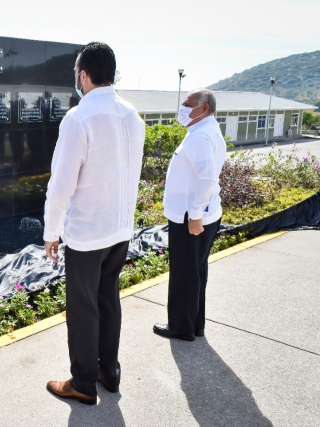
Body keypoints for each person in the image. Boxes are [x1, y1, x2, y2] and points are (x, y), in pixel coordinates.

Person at [44, 42, 145, 405]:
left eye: (76, 74)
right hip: (119, 231)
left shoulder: (79, 119)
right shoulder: (133, 115)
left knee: (84, 307)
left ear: (83, 75)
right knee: (108, 301)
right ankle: (108, 371)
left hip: (87, 233)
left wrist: (50, 232)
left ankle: (83, 383)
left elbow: (61, 185)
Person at [153, 89, 226, 341]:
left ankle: (181, 327)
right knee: (196, 271)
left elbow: (206, 179)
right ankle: (195, 323)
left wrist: (194, 215)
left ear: (203, 108)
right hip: (199, 214)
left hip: (190, 218)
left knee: (184, 272)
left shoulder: (201, 137)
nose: (182, 107)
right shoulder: (205, 130)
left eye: (188, 104)